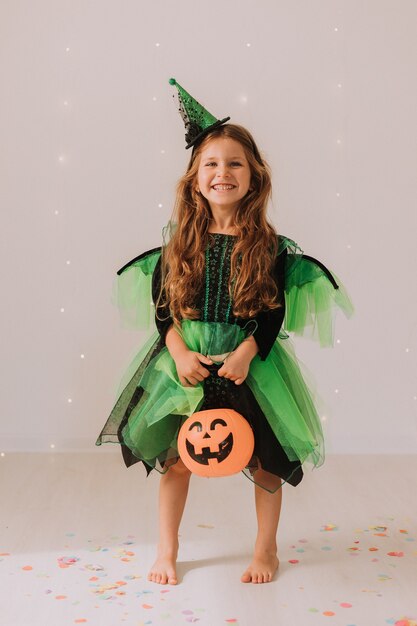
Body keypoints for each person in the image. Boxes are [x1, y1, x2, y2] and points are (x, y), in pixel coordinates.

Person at [96, 78, 353, 586]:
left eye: (235, 163)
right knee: (177, 460)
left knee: (265, 461)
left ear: (254, 177)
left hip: (248, 366)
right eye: (211, 164)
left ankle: (265, 549)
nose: (222, 173)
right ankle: (167, 549)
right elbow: (164, 309)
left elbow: (273, 312)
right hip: (185, 362)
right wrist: (177, 350)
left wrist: (248, 351)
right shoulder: (179, 244)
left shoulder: (270, 246)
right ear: (195, 179)